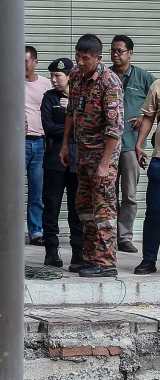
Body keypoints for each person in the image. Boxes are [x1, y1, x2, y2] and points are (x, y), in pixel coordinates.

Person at [60, 34, 124, 278]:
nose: (80, 62)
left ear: (98, 58)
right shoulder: (76, 76)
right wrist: (65, 144)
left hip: (102, 158)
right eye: (77, 56)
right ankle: (90, 257)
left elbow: (114, 128)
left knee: (103, 210)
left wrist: (105, 165)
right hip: (82, 155)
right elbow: (71, 111)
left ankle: (106, 263)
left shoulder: (110, 82)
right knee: (84, 208)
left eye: (85, 58)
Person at [110, 35, 155, 253]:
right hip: (107, 146)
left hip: (130, 146)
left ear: (130, 53)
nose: (116, 55)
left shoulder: (144, 77)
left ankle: (124, 237)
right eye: (113, 51)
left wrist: (142, 118)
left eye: (120, 51)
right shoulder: (105, 76)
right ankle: (108, 235)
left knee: (128, 195)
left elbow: (154, 106)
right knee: (107, 194)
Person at [40, 57, 84, 269]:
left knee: (77, 210)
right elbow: (48, 127)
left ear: (70, 76)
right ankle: (51, 250)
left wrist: (72, 113)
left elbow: (91, 126)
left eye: (58, 76)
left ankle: (78, 251)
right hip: (54, 160)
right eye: (52, 76)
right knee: (51, 206)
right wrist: (73, 130)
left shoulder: (82, 97)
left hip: (79, 162)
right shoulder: (49, 98)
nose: (53, 80)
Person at [24, 45, 53, 246]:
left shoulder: (46, 84)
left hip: (41, 143)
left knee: (37, 191)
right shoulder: (10, 82)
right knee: (11, 189)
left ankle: (35, 231)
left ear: (35, 62)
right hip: (18, 144)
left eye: (25, 61)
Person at [133, 79, 160, 274]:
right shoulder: (158, 86)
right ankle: (149, 259)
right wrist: (139, 144)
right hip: (159, 160)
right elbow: (148, 117)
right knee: (154, 213)